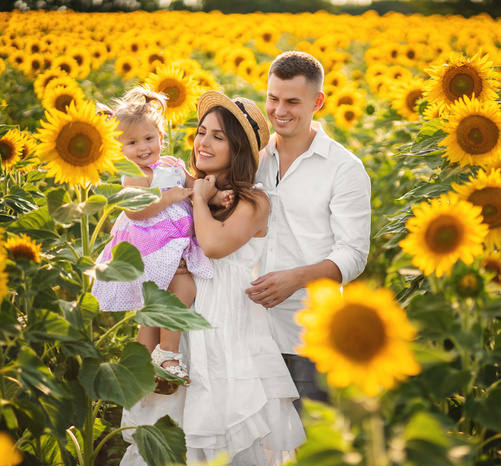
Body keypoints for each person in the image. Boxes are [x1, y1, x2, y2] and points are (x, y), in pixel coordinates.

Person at [120, 90, 305, 465]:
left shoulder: (253, 200)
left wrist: (199, 199)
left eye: (218, 136)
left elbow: (214, 245)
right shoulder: (187, 187)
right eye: (201, 131)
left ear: (237, 149)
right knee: (167, 427)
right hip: (178, 321)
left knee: (217, 423)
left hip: (221, 325)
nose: (203, 142)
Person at [245, 51, 371, 407]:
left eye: (292, 102)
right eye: (272, 98)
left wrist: (296, 278)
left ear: (318, 101)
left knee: (313, 442)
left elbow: (354, 254)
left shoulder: (344, 168)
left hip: (310, 333)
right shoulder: (254, 157)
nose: (279, 111)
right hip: (250, 326)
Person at [92, 87, 230, 392]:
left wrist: (218, 196)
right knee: (181, 291)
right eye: (131, 142)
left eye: (148, 139)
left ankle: (141, 367)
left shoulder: (173, 165)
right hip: (148, 246)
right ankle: (168, 357)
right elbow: (134, 212)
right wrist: (166, 199)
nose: (142, 148)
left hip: (173, 241)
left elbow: (196, 188)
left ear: (161, 136)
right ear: (119, 147)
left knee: (153, 312)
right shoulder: (134, 176)